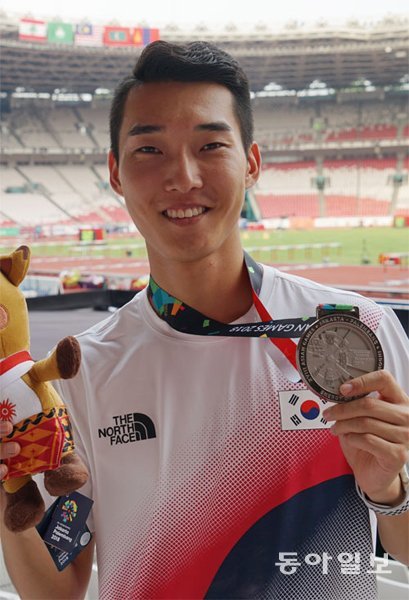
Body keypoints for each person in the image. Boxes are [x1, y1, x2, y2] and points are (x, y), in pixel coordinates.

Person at [1, 40, 408, 600]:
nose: (183, 176)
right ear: (116, 173)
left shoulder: (358, 333)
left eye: (211, 145)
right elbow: (56, 589)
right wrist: (6, 483)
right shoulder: (81, 370)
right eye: (150, 150)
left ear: (252, 163)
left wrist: (390, 490)